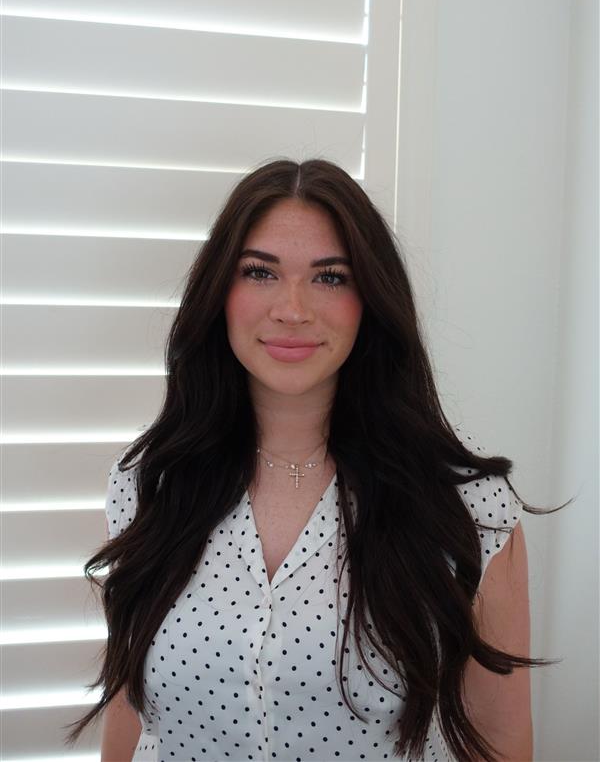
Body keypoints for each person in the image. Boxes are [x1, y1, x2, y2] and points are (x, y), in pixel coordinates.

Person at [64, 158, 559, 762]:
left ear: (369, 299)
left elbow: (499, 740)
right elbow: (129, 707)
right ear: (220, 293)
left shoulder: (470, 504)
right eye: (259, 272)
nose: (292, 309)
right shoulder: (149, 483)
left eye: (330, 277)